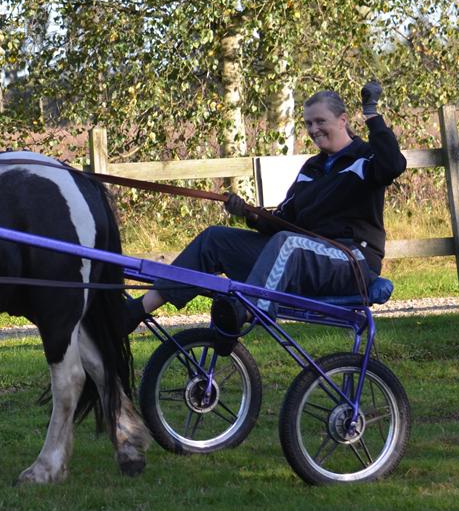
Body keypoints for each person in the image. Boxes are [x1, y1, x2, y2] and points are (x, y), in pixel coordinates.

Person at [125, 81, 407, 332]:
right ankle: (138, 310)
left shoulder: (365, 159)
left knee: (289, 243)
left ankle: (248, 310)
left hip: (352, 261)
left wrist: (372, 113)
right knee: (215, 238)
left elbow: (393, 165)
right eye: (308, 124)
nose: (313, 130)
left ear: (343, 120)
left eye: (320, 121)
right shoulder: (312, 168)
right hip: (303, 256)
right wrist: (248, 213)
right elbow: (285, 220)